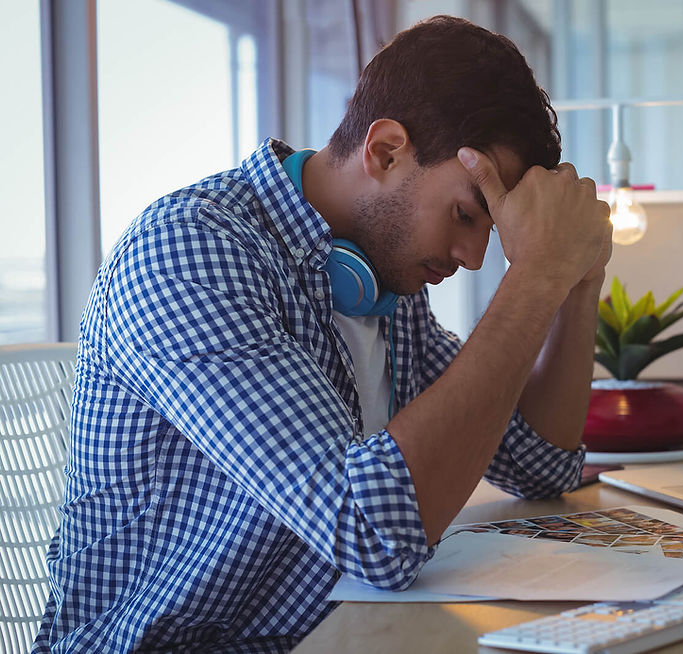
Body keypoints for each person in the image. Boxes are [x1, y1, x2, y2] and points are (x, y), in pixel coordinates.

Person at [34, 15, 611, 654]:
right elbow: (373, 530)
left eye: (492, 235)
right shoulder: (191, 251)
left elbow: (541, 462)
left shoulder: (386, 280)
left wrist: (575, 281)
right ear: (386, 150)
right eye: (466, 215)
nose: (474, 258)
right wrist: (534, 275)